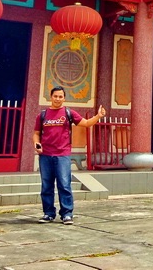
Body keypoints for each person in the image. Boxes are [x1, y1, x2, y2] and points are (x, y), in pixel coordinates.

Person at [33, 86, 105, 224]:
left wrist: (98, 116)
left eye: (60, 97)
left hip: (62, 155)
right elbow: (36, 133)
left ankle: (67, 214)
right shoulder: (42, 115)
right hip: (45, 155)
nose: (58, 99)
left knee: (64, 184)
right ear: (51, 97)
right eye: (55, 96)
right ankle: (48, 213)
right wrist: (37, 144)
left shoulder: (68, 113)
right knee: (46, 186)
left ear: (64, 98)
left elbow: (86, 123)